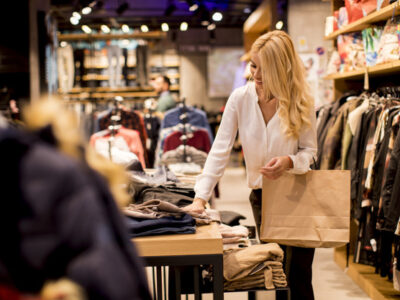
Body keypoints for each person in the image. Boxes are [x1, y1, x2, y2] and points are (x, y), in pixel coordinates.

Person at [183, 30, 318, 300]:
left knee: (300, 276)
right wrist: (200, 197)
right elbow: (219, 150)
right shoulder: (240, 99)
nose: (255, 73)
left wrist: (290, 161)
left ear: (281, 67)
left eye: (263, 68)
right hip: (263, 197)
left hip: (299, 195)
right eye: (253, 65)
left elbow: (310, 152)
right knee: (274, 270)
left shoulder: (302, 100)